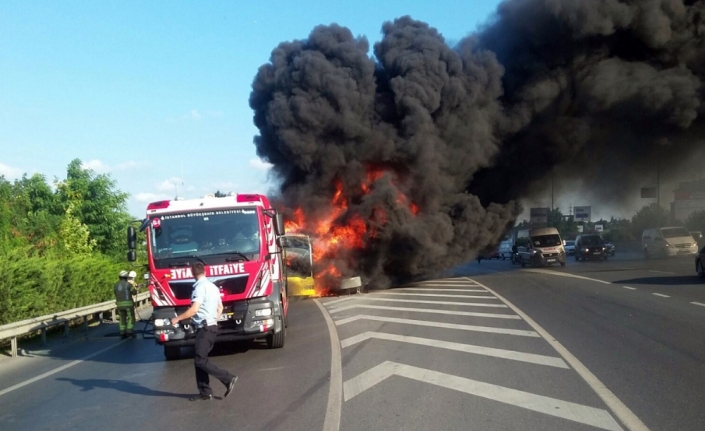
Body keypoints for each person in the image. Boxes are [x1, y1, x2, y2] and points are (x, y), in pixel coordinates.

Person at [171, 262, 238, 401]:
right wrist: (214, 320)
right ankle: (205, 392)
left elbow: (194, 309)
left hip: (205, 327)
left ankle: (228, 378)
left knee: (200, 360)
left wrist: (177, 318)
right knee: (199, 359)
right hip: (211, 326)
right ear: (205, 271)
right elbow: (220, 307)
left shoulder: (199, 288)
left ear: (192, 273)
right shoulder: (213, 287)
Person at [114, 270, 137, 339]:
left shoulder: (116, 285)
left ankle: (122, 333)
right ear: (126, 277)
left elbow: (115, 293)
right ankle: (129, 331)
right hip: (128, 305)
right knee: (131, 318)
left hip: (119, 305)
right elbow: (134, 292)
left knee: (122, 319)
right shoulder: (128, 284)